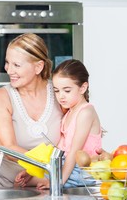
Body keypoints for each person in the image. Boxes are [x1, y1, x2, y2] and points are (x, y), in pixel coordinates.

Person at [0, 33, 63, 188]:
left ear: (38, 67)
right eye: (7, 63)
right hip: (7, 189)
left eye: (17, 65)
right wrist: (44, 165)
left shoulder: (59, 93)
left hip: (49, 185)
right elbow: (8, 148)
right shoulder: (1, 97)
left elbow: (73, 138)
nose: (9, 70)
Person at [15, 59, 103, 189]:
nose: (61, 96)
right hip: (68, 167)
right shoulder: (69, 112)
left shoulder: (86, 112)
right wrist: (33, 172)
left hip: (82, 171)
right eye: (56, 91)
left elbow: (74, 151)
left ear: (83, 88)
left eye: (67, 91)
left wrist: (58, 182)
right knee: (23, 181)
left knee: (33, 187)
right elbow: (60, 149)